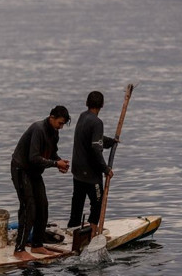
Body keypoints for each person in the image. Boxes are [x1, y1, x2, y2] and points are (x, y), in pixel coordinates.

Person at [11, 105, 71, 261]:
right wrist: (55, 164)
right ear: (51, 118)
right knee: (28, 207)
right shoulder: (38, 129)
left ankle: (37, 244)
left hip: (34, 172)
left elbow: (51, 153)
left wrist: (59, 161)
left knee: (42, 206)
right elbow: (34, 157)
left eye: (63, 124)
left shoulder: (54, 133)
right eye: (59, 123)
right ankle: (19, 249)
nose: (61, 127)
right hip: (21, 169)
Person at [67, 91, 117, 237]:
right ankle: (93, 232)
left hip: (77, 171)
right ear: (102, 105)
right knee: (97, 203)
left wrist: (110, 142)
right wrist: (105, 169)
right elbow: (96, 148)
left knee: (77, 201)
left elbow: (95, 139)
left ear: (87, 103)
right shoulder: (97, 122)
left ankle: (73, 228)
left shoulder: (83, 116)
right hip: (90, 174)